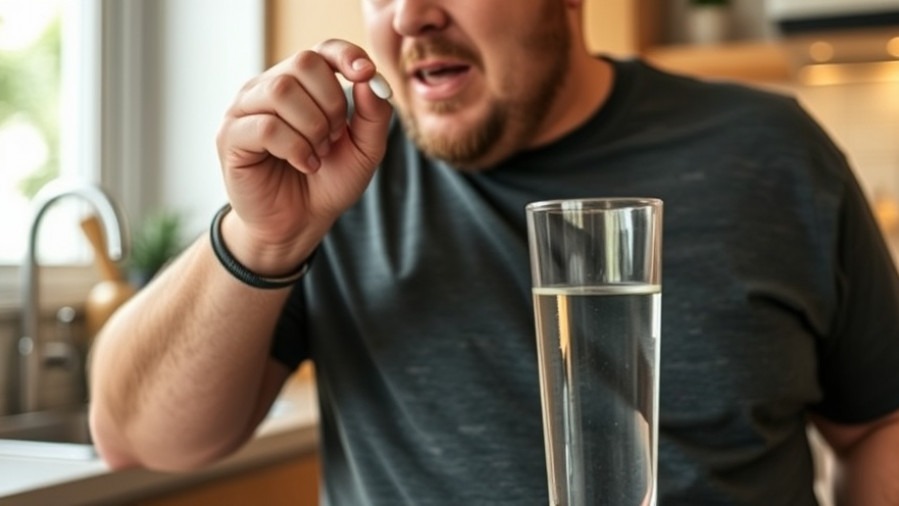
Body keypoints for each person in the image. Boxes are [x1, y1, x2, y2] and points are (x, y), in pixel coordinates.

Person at [88, 0, 899, 504]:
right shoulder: (326, 178)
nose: (410, 13)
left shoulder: (770, 153)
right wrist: (262, 237)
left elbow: (876, 430)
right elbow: (136, 437)